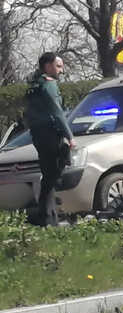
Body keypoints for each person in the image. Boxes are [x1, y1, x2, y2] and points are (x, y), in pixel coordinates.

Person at [25, 52, 73, 226]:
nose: (61, 70)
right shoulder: (48, 85)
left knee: (48, 176)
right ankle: (47, 217)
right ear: (48, 66)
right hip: (51, 135)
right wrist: (69, 136)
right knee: (53, 175)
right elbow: (57, 113)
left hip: (38, 135)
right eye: (58, 66)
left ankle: (48, 217)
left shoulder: (35, 85)